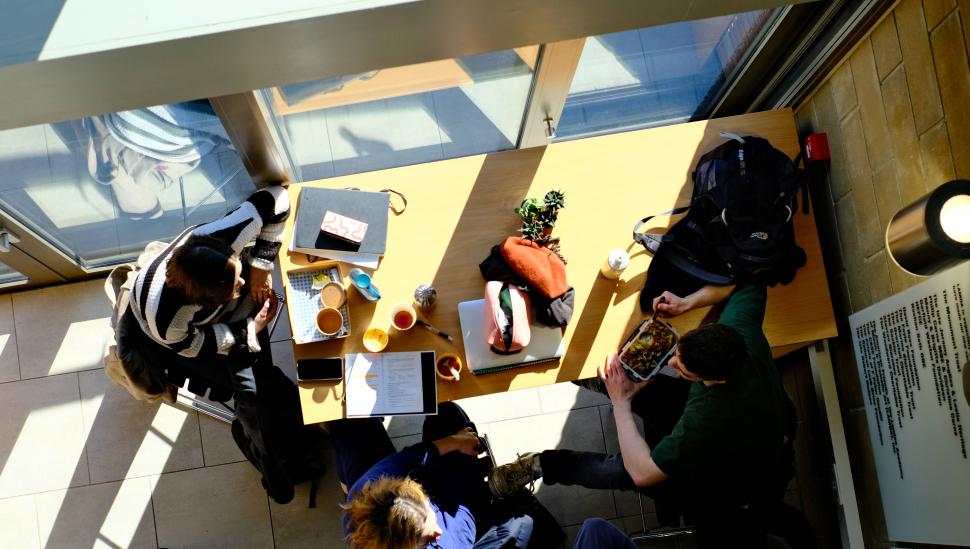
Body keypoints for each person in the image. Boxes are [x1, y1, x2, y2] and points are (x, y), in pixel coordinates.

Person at [488, 282, 798, 546]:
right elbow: (749, 284)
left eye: (682, 369)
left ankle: (541, 465)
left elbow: (643, 472)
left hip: (723, 478)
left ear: (714, 382)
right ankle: (599, 379)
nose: (671, 364)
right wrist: (687, 302)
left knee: (620, 471)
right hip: (767, 419)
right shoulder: (740, 331)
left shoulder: (706, 419)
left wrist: (620, 402)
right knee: (645, 389)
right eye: (678, 354)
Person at [116, 184, 318, 503]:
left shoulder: (218, 239)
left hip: (210, 319)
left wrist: (261, 266)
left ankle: (285, 433)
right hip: (183, 345)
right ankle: (270, 457)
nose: (243, 281)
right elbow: (199, 346)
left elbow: (278, 200)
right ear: (207, 302)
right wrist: (252, 328)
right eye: (237, 284)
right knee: (259, 394)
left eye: (238, 271)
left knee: (266, 384)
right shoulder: (168, 322)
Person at [329, 402, 536, 549]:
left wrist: (456, 441)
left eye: (430, 517)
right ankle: (493, 489)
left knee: (351, 420)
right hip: (460, 517)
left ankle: (344, 476)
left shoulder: (365, 494)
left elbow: (407, 459)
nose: (438, 531)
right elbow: (458, 518)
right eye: (427, 540)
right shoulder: (447, 540)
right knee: (522, 520)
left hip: (431, 492)